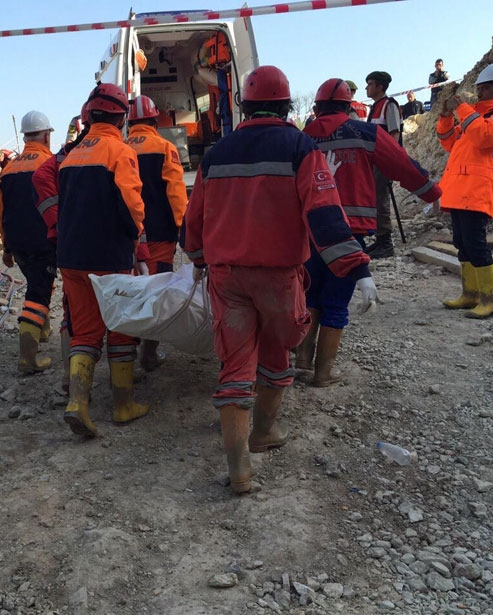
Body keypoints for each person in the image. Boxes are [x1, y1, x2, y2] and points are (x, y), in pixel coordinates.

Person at [182, 66, 377, 495]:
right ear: (288, 106)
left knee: (234, 367)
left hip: (227, 277)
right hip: (277, 277)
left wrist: (199, 259)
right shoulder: (301, 149)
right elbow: (326, 216)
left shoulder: (216, 154)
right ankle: (263, 433)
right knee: (276, 355)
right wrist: (358, 268)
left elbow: (192, 223)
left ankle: (239, 471)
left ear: (244, 106)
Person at [301, 78, 442, 385]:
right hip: (350, 233)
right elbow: (403, 165)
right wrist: (432, 193)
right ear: (349, 106)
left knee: (310, 294)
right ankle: (324, 372)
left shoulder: (304, 136)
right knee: (336, 302)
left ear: (316, 108)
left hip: (310, 231)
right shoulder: (365, 133)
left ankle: (301, 361)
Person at [57, 83, 150, 438]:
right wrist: (136, 234)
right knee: (121, 324)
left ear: (90, 115)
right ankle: (123, 404)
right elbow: (131, 203)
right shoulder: (119, 151)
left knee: (85, 329)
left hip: (71, 257)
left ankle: (78, 403)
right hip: (107, 256)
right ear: (121, 116)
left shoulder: (73, 153)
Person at [437, 63, 493, 319]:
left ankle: (490, 298)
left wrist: (462, 108)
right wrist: (445, 116)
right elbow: (450, 143)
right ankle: (471, 294)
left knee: (476, 244)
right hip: (460, 192)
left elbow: (484, 137)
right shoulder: (474, 117)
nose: (481, 93)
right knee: (462, 243)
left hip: (479, 192)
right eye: (479, 88)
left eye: (485, 88)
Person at [125, 95, 189, 371]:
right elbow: (175, 193)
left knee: (131, 289)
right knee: (157, 291)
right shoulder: (165, 147)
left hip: (127, 235)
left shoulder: (119, 147)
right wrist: (184, 229)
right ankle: (148, 354)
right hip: (160, 234)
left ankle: (125, 353)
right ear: (154, 120)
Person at [33, 102, 91, 394]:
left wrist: (58, 225)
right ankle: (123, 393)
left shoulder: (62, 157)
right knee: (116, 310)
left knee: (75, 315)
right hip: (109, 249)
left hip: (71, 249)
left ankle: (72, 385)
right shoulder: (115, 149)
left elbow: (40, 178)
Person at [0, 110, 57, 374]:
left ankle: (41, 330)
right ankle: (27, 358)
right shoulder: (51, 164)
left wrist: (6, 247)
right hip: (43, 240)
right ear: (46, 135)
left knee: (38, 282)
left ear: (24, 137)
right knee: (38, 292)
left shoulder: (9, 169)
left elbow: (2, 212)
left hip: (18, 242)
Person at [365, 70, 403, 258]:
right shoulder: (374, 107)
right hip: (374, 159)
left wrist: (388, 159)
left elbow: (394, 136)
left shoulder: (389, 105)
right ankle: (380, 240)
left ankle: (386, 243)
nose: (367, 87)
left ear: (380, 86)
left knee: (381, 199)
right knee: (375, 199)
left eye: (370, 84)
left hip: (383, 160)